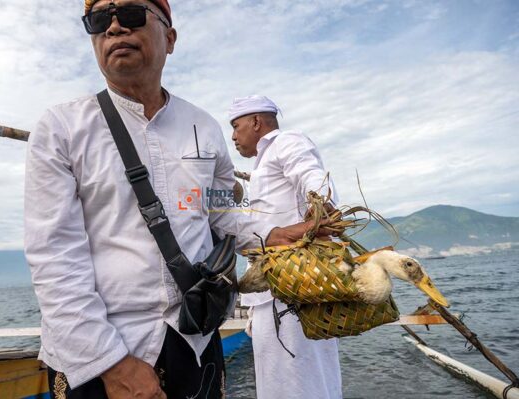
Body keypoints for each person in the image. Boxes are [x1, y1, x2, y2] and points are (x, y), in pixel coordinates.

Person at [24, 2, 314, 398]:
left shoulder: (204, 127)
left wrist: (272, 233)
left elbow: (218, 209)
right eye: (98, 21)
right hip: (101, 352)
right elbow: (54, 256)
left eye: (129, 15)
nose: (113, 28)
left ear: (170, 38)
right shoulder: (61, 128)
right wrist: (112, 363)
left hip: (194, 336)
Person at [229, 95, 343, 399]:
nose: (233, 136)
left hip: (295, 290)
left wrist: (321, 203)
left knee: (303, 382)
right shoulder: (261, 165)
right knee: (279, 384)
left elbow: (310, 173)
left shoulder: (286, 142)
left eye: (236, 126)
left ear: (256, 122)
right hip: (272, 292)